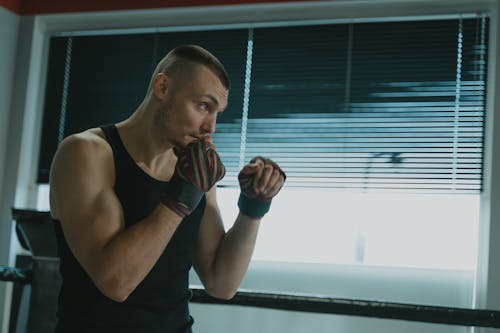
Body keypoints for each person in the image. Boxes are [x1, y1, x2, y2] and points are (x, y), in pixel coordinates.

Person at [49, 44, 286, 333]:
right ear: (162, 87)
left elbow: (221, 283)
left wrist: (252, 207)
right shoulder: (87, 153)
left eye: (217, 113)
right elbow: (116, 282)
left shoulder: (193, 171)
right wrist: (181, 197)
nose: (210, 126)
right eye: (203, 106)